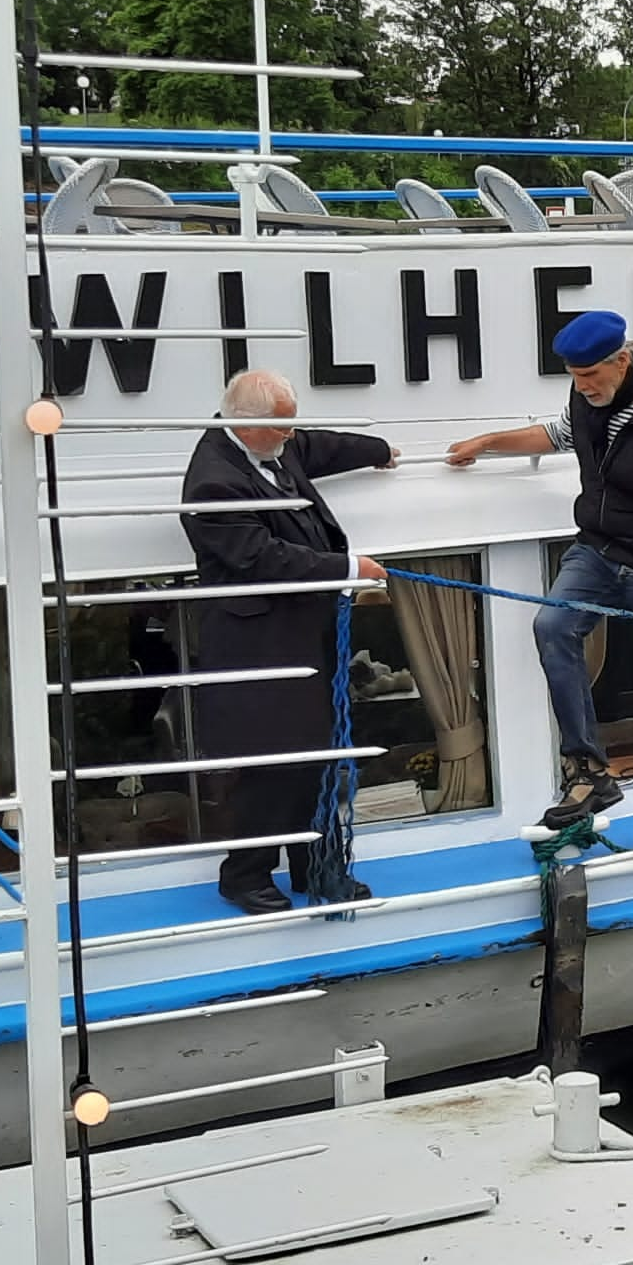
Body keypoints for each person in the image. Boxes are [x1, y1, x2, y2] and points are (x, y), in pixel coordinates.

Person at [446, 311, 633, 850]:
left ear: (622, 361)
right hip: (597, 551)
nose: (581, 385)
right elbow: (556, 434)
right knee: (552, 627)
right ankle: (589, 772)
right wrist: (488, 441)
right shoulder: (585, 400)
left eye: (590, 374)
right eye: (573, 374)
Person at [180, 369, 397, 914]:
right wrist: (347, 567)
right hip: (258, 644)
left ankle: (317, 869)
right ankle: (245, 876)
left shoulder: (272, 441)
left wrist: (378, 450)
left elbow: (318, 447)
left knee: (319, 758)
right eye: (281, 428)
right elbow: (259, 557)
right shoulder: (213, 481)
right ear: (246, 426)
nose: (291, 437)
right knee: (272, 765)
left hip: (305, 633)